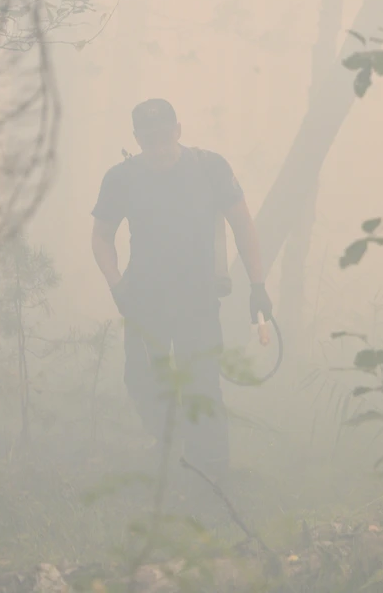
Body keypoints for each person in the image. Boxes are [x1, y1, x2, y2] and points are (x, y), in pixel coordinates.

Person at [90, 98, 272, 482]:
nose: (157, 148)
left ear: (178, 131)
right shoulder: (121, 178)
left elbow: (243, 225)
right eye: (148, 140)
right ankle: (169, 446)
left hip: (198, 298)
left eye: (163, 137)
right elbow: (102, 236)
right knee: (141, 378)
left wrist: (258, 286)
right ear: (137, 138)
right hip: (142, 299)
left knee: (202, 381)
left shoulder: (210, 168)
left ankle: (213, 471)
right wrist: (117, 285)